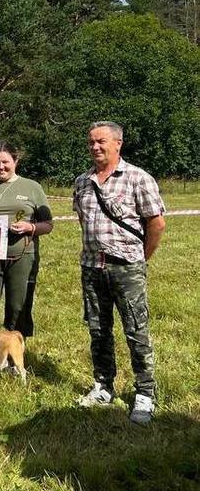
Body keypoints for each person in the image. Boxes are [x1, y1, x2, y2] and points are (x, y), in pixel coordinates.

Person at [73, 121, 166, 425]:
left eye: (101, 141)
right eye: (90, 143)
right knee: (98, 331)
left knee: (136, 331)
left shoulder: (138, 178)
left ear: (117, 144)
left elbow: (156, 223)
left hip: (126, 268)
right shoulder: (82, 182)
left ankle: (145, 393)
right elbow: (83, 221)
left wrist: (140, 259)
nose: (95, 147)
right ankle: (103, 385)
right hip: (92, 268)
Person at [0, 141, 53, 336]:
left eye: (5, 161)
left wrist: (29, 227)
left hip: (21, 258)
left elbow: (48, 225)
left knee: (18, 307)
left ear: (16, 161)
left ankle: (15, 357)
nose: (1, 166)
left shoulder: (32, 187)